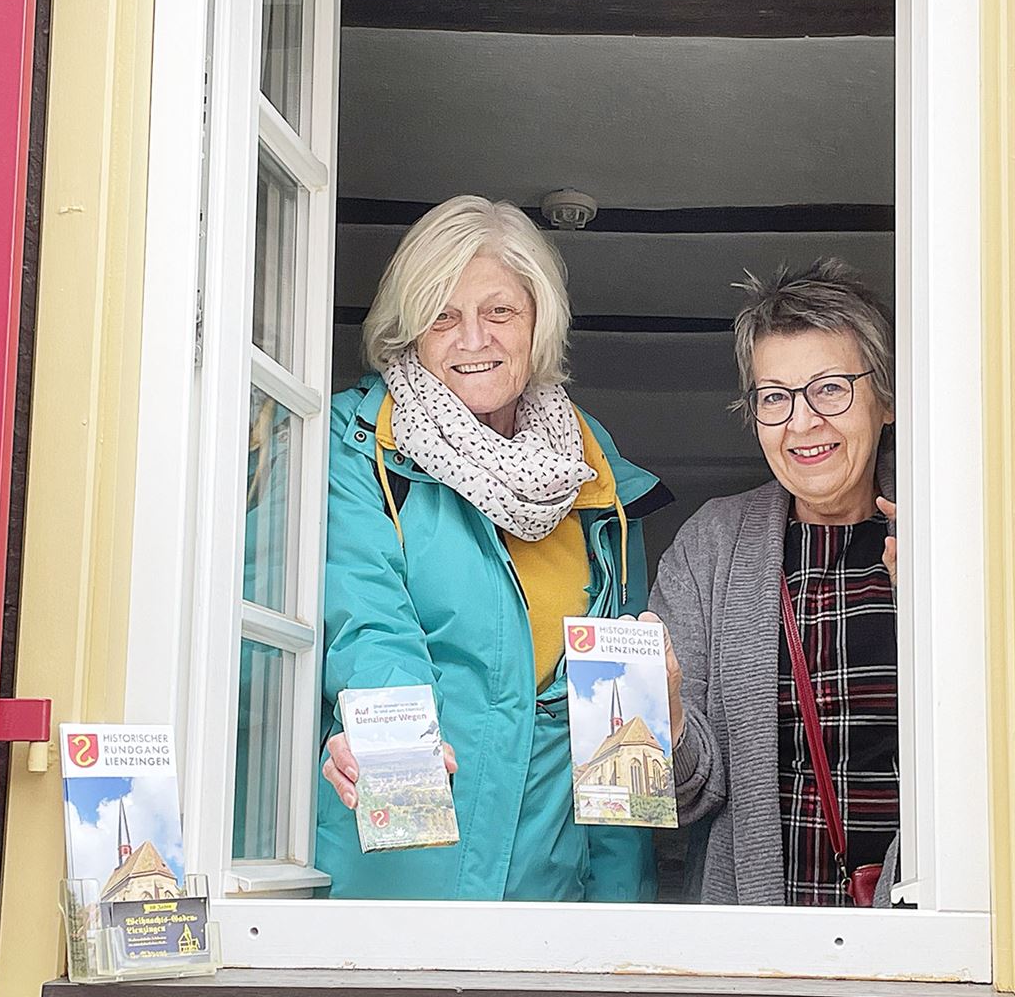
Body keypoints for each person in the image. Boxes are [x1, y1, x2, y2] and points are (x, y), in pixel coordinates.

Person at [318, 195, 672, 901]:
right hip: (399, 880)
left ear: (539, 322)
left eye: (499, 312)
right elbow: (370, 630)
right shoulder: (360, 445)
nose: (472, 338)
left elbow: (619, 727)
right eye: (441, 316)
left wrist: (622, 916)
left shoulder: (595, 474)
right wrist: (389, 753)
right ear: (409, 332)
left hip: (549, 893)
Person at [648, 259, 899, 906]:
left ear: (887, 397)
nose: (802, 421)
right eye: (775, 396)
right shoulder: (711, 547)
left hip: (929, 952)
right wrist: (662, 716)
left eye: (831, 389)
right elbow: (672, 804)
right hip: (763, 961)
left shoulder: (958, 541)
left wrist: (944, 621)